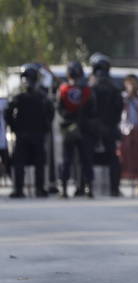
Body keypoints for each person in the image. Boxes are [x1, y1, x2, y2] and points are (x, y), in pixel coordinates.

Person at [4, 63, 54, 198]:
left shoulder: (19, 96)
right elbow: (51, 113)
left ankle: (20, 189)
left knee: (21, 162)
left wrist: (14, 126)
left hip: (24, 134)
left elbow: (7, 113)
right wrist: (45, 127)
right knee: (36, 162)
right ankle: (38, 189)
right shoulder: (41, 97)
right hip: (35, 134)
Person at [57, 61, 97, 198]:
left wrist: (69, 117)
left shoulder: (63, 89)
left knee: (67, 159)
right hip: (84, 128)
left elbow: (60, 109)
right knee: (86, 159)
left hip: (69, 129)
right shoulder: (87, 90)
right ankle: (89, 188)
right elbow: (93, 109)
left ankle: (63, 189)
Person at [88, 53, 123, 197]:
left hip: (95, 128)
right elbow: (119, 109)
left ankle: (88, 187)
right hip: (109, 127)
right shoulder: (114, 88)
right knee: (113, 158)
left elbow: (88, 109)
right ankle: (114, 188)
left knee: (88, 157)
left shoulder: (91, 87)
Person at [119, 74, 138, 198]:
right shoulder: (123, 96)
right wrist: (129, 95)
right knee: (124, 157)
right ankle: (118, 184)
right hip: (125, 131)